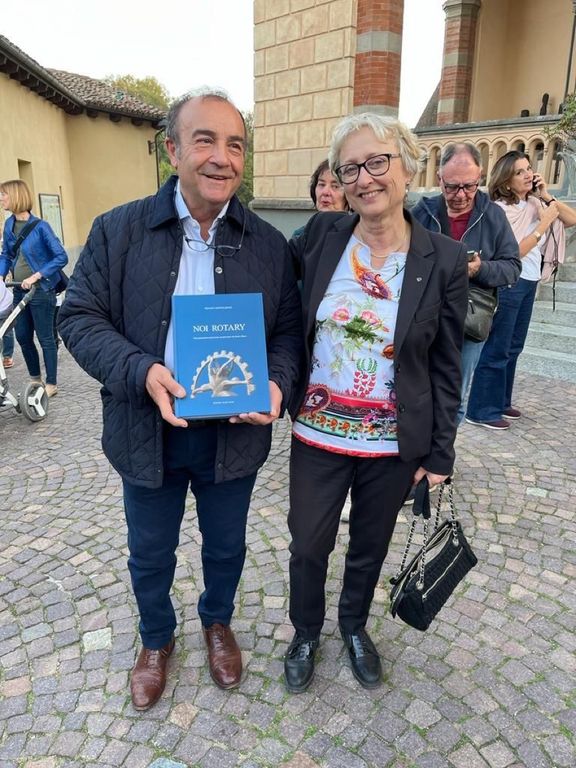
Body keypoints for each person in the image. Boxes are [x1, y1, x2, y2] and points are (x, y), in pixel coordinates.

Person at [58, 87, 303, 710]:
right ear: (172, 150)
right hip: (147, 428)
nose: (223, 157)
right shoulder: (117, 231)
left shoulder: (267, 244)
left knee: (226, 546)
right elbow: (78, 317)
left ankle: (218, 623)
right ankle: (156, 638)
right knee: (150, 551)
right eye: (205, 140)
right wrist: (141, 370)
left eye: (236, 144)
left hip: (233, 432)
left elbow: (287, 334)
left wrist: (277, 383)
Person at [284, 113, 468, 693]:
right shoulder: (323, 236)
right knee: (308, 543)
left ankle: (354, 625)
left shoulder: (442, 258)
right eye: (350, 168)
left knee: (369, 544)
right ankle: (305, 631)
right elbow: (266, 281)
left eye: (377, 162)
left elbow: (446, 365)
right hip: (317, 432)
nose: (364, 178)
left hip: (392, 442)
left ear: (407, 167)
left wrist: (440, 456)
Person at [465, 150, 576, 429]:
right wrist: (544, 223)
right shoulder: (501, 210)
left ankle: (501, 401)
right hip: (508, 283)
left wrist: (546, 195)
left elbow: (572, 219)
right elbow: (513, 253)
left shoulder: (533, 203)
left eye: (528, 168)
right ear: (505, 180)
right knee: (497, 347)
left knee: (514, 346)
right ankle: (481, 410)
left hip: (528, 280)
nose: (528, 174)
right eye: (519, 172)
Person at [412, 143, 520, 424]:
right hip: (423, 317)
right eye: (452, 187)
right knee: (413, 390)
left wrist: (479, 269)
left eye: (469, 186)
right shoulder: (421, 213)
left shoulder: (493, 216)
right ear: (439, 179)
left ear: (480, 177)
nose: (460, 195)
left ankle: (442, 450)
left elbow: (512, 267)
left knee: (454, 397)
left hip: (468, 323)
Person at [0, 180, 68, 397]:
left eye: (4, 194)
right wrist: (0, 275)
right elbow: (7, 254)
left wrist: (36, 275)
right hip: (19, 290)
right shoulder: (9, 225)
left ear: (16, 196)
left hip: (41, 291)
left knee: (45, 338)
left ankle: (51, 384)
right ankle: (35, 379)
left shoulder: (40, 227)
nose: (1, 198)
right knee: (22, 336)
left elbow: (61, 256)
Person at [292, 159, 349, 237]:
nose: (325, 192)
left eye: (335, 186)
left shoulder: (357, 236)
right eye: (321, 184)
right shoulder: (300, 236)